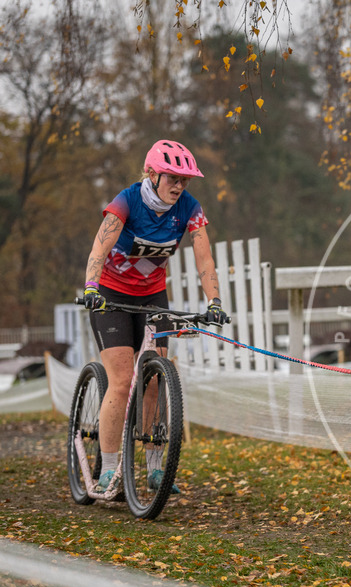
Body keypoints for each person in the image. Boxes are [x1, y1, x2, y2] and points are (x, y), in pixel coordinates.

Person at [82, 139, 230, 494]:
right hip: (112, 296)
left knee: (154, 380)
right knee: (120, 381)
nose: (179, 186)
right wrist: (90, 286)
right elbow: (100, 247)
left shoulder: (189, 208)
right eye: (172, 178)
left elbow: (204, 258)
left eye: (184, 180)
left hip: (152, 297)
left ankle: (154, 467)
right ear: (151, 173)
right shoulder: (127, 201)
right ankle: (109, 469)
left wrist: (214, 302)